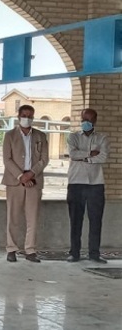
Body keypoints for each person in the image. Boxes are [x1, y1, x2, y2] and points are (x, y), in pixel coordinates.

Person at [2, 104, 49, 263]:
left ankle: (30, 250)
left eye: (30, 116)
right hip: (15, 181)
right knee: (13, 217)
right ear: (18, 117)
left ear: (33, 118)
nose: (27, 119)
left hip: (34, 180)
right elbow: (7, 159)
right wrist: (21, 176)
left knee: (32, 218)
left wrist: (31, 174)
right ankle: (11, 249)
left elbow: (44, 159)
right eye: (24, 115)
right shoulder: (10, 135)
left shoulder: (40, 136)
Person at [66, 108, 109, 264]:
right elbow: (72, 154)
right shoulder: (73, 137)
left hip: (95, 184)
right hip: (76, 183)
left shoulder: (102, 138)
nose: (85, 123)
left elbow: (103, 157)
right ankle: (74, 253)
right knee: (75, 220)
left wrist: (83, 157)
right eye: (83, 119)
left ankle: (94, 253)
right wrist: (91, 154)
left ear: (94, 121)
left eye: (89, 120)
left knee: (96, 220)